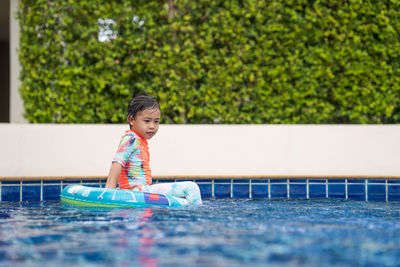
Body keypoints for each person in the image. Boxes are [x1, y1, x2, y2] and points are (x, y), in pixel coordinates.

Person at [105, 93, 202, 205]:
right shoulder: (131, 138)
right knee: (191, 188)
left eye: (156, 121)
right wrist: (109, 193)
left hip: (140, 191)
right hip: (136, 192)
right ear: (131, 120)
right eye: (147, 121)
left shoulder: (139, 140)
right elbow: (117, 163)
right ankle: (199, 217)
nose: (152, 126)